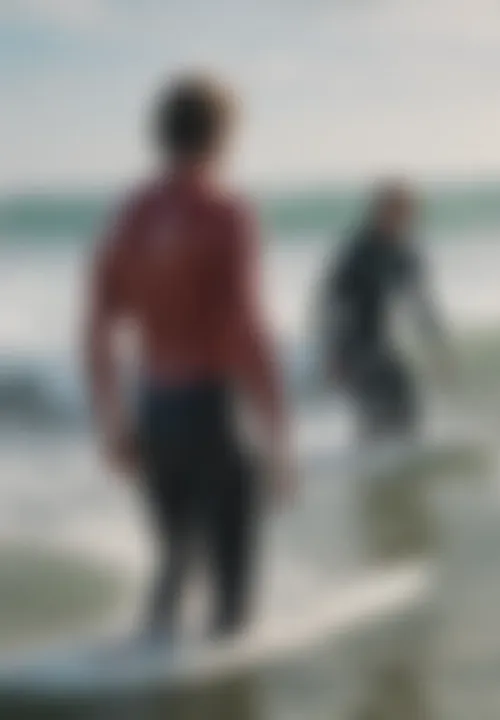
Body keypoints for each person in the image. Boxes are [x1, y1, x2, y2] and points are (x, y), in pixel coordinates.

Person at [84, 75, 293, 640]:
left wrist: (114, 425)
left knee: (175, 562)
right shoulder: (226, 212)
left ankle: (150, 673)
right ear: (224, 135)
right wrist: (278, 440)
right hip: (213, 412)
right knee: (231, 593)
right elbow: (247, 331)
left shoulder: (128, 216)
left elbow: (97, 332)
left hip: (155, 409)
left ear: (160, 134)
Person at [319, 180, 448, 440]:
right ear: (379, 211)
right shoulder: (357, 252)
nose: (404, 219)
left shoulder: (404, 253)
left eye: (408, 213)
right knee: (380, 406)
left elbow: (421, 304)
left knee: (407, 407)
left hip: (378, 344)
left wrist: (437, 348)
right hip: (353, 347)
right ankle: (370, 462)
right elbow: (329, 304)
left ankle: (388, 465)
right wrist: (332, 354)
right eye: (396, 211)